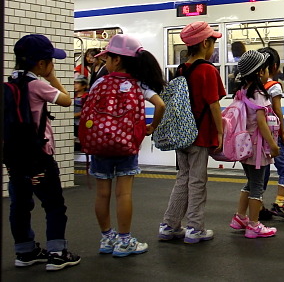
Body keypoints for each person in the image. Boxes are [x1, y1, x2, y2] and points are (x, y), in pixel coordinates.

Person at [6, 34, 80, 271]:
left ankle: (25, 251)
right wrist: (52, 78)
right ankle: (57, 253)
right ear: (41, 64)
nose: (52, 64)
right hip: (39, 158)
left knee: (19, 205)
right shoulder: (38, 85)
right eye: (50, 60)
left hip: (15, 158)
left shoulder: (9, 85)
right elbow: (68, 101)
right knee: (54, 205)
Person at [88, 34, 166, 257]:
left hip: (100, 144)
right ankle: (124, 241)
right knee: (124, 194)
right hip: (125, 144)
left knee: (102, 194)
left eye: (107, 59)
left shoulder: (99, 83)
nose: (106, 63)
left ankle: (106, 238)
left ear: (117, 60)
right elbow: (160, 105)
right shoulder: (137, 84)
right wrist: (151, 127)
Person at [159, 22, 225, 244]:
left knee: (182, 179)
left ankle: (169, 225)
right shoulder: (208, 69)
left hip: (181, 134)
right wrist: (221, 132)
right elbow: (214, 104)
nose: (213, 47)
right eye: (213, 42)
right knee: (197, 181)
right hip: (200, 134)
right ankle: (195, 228)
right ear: (205, 43)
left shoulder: (181, 69)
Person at [229, 50, 280, 238]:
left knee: (250, 182)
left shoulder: (241, 92)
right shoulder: (260, 94)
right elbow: (262, 123)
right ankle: (254, 225)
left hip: (243, 146)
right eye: (265, 69)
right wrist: (273, 146)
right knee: (258, 186)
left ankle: (239, 217)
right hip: (258, 149)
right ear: (260, 72)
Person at [258, 46, 284, 220]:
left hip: (259, 137)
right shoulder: (274, 86)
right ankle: (280, 203)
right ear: (274, 66)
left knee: (262, 173)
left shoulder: (252, 87)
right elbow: (277, 111)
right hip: (273, 135)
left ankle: (257, 205)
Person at [73, 75, 89, 151]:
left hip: (81, 122)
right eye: (74, 83)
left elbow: (87, 110)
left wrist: (75, 114)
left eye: (78, 83)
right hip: (74, 123)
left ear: (84, 86)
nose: (75, 85)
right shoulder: (74, 95)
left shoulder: (86, 97)